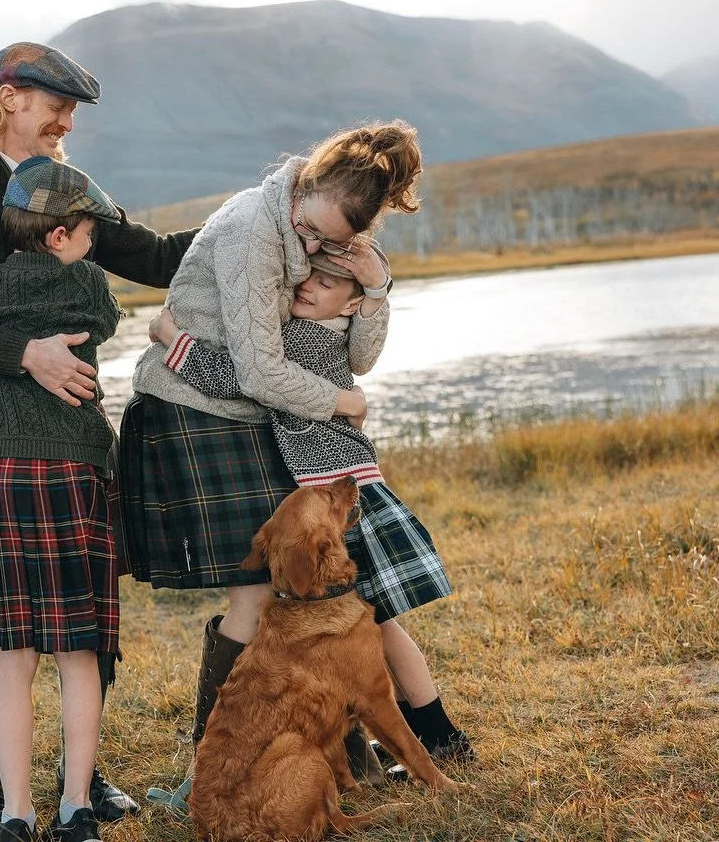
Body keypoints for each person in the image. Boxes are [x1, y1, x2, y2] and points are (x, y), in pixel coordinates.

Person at [119, 121, 466, 807]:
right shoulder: (253, 228)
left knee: (319, 600)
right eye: (308, 234)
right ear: (303, 186)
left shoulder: (327, 236)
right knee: (263, 593)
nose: (310, 256)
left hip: (283, 432)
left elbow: (345, 344)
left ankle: (351, 751)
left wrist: (377, 285)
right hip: (202, 414)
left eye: (326, 247)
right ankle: (214, 774)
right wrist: (342, 400)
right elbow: (261, 372)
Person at [0, 41, 198, 842]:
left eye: (72, 110)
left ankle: (82, 776)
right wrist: (26, 354)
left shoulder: (69, 193)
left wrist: (256, 225)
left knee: (81, 609)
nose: (67, 121)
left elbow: (155, 258)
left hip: (69, 438)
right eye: (55, 105)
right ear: (9, 97)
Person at [0, 156, 126, 842]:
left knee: (12, 656)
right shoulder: (85, 283)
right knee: (78, 651)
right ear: (59, 237)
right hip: (72, 474)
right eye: (88, 233)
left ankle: (15, 814)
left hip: (0, 478)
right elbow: (107, 320)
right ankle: (76, 807)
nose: (92, 245)